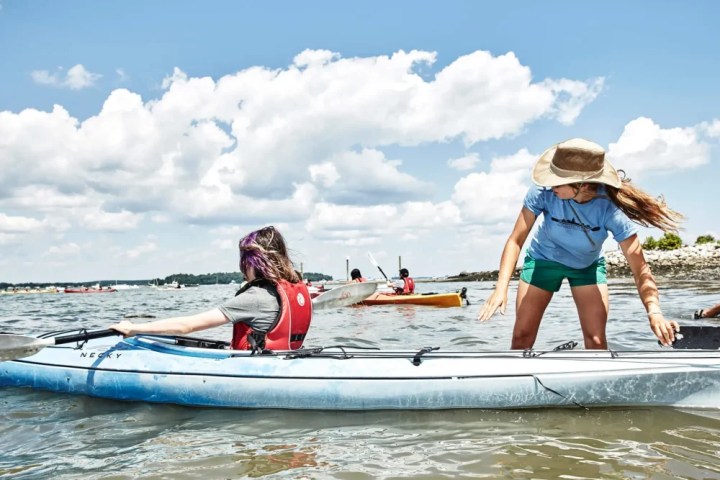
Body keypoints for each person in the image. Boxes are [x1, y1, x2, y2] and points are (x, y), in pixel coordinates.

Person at [477, 138, 683, 349]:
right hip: (543, 260)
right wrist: (501, 288)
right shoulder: (543, 193)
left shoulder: (610, 210)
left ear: (582, 185)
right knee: (522, 336)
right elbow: (516, 240)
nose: (550, 185)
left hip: (587, 267)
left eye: (558, 181)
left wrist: (654, 312)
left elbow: (641, 270)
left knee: (595, 341)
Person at [111, 226, 312, 351]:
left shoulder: (256, 297)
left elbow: (186, 326)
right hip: (285, 359)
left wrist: (133, 328)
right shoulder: (297, 289)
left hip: (258, 367)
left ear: (253, 262)